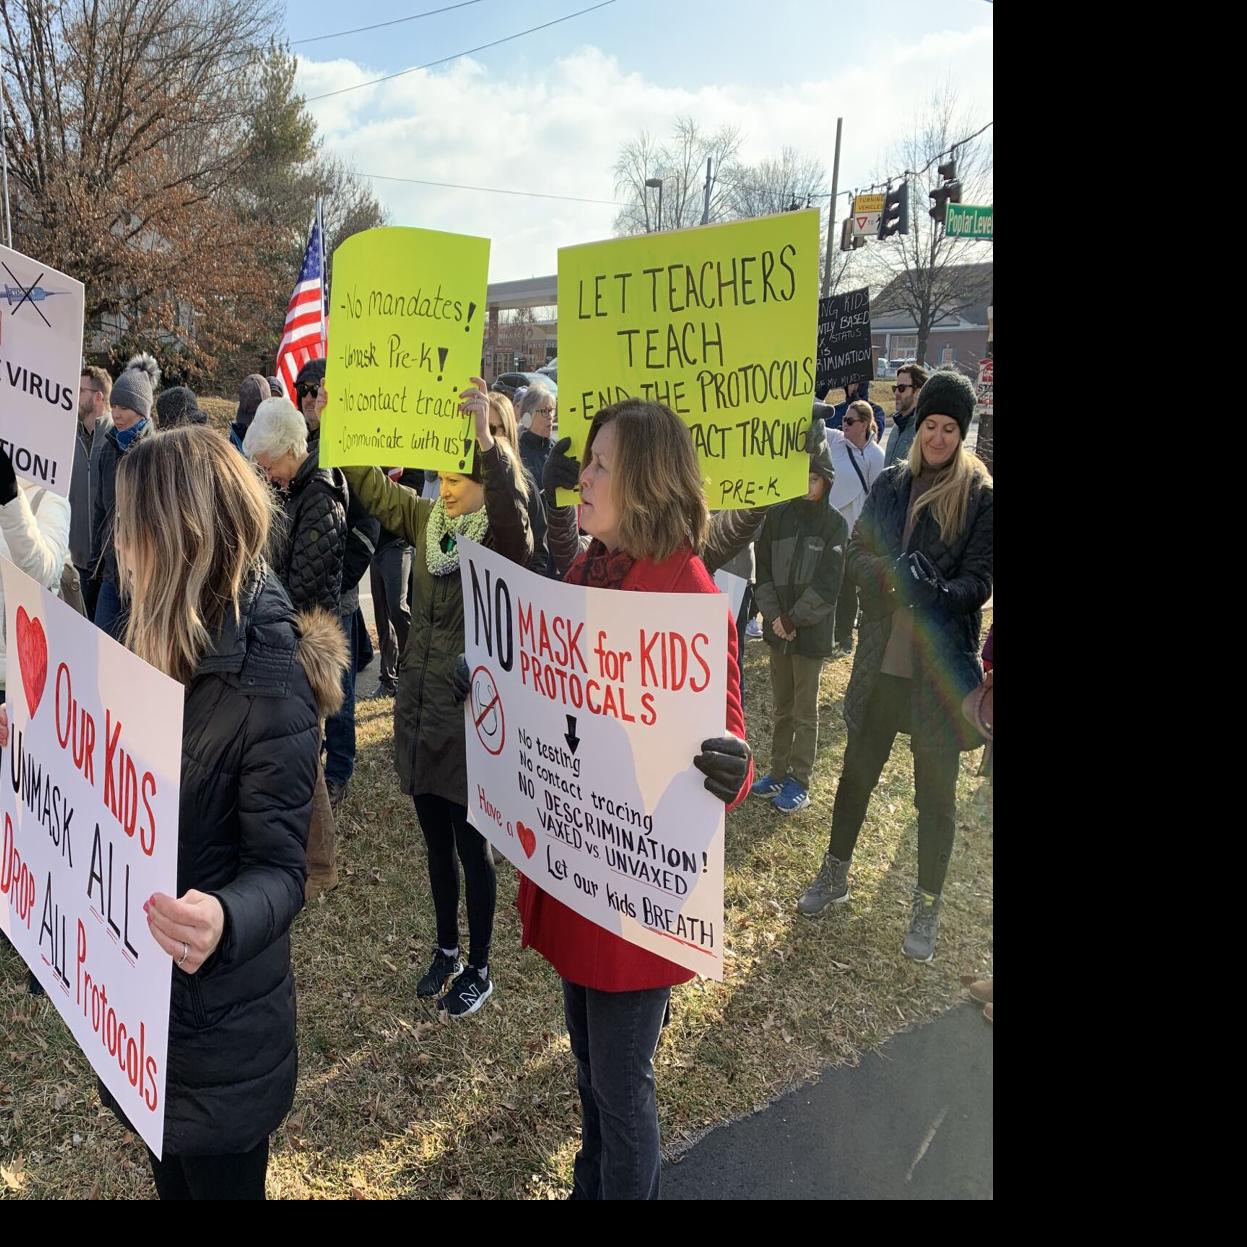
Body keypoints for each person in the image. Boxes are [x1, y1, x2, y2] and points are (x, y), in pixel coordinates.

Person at [41, 425, 344, 1199]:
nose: (117, 543)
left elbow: (283, 868)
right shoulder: (139, 629)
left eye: (128, 523)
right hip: (145, 1015)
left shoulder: (267, 678)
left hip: (222, 1035)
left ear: (176, 535)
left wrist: (224, 916)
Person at [516, 399, 753, 1200]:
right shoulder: (587, 570)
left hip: (635, 898)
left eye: (599, 465)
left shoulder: (685, 594)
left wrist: (732, 768)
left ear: (644, 482)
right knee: (588, 1063)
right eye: (584, 459)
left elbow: (729, 739)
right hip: (584, 866)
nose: (579, 475)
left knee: (622, 1084)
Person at [337, 377, 531, 1018]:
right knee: (433, 840)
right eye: (443, 472)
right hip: (420, 709)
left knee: (471, 846)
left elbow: (518, 528)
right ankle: (447, 948)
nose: (446, 485)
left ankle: (480, 966)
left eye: (462, 473)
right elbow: (373, 491)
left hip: (470, 715)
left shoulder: (497, 536)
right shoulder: (428, 522)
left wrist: (490, 448)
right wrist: (347, 425)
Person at [797, 369, 992, 964]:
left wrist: (935, 587)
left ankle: (926, 903)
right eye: (929, 424)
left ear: (962, 433)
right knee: (857, 770)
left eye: (948, 428)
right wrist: (888, 579)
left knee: (935, 795)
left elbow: (980, 580)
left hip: (937, 669)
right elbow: (858, 549)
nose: (936, 436)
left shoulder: (980, 496)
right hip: (882, 658)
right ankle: (835, 873)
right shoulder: (890, 483)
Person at [244, 397, 348, 896]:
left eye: (269, 464)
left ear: (290, 450)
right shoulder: (295, 491)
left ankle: (320, 865)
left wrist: (262, 601)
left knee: (307, 758)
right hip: (288, 635)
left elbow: (301, 585)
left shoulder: (320, 499)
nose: (266, 475)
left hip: (308, 645)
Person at [747, 425, 846, 813]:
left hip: (809, 635)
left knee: (806, 711)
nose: (808, 484)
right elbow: (764, 570)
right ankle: (776, 771)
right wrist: (774, 616)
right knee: (781, 706)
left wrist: (794, 619)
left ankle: (799, 779)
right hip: (778, 633)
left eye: (815, 477)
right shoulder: (777, 517)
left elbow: (828, 583)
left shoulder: (834, 523)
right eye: (802, 476)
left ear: (826, 480)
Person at [91, 352, 160, 640]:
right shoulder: (107, 448)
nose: (116, 414)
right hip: (111, 575)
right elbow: (100, 510)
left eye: (124, 407)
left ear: (142, 410)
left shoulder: (157, 452)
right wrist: (94, 562)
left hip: (147, 579)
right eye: (114, 405)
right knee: (99, 648)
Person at [826, 399, 885, 657]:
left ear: (863, 424)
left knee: (847, 587)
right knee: (828, 583)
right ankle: (826, 634)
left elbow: (877, 498)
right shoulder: (836, 440)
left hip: (854, 531)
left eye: (850, 421)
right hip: (830, 527)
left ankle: (844, 637)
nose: (844, 424)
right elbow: (813, 422)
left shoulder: (875, 456)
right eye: (843, 420)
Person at [362, 469, 420, 701]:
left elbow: (414, 494)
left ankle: (413, 669)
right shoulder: (376, 457)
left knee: (398, 609)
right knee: (382, 615)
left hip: (398, 543)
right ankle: (388, 680)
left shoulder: (409, 462)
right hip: (377, 545)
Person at [487, 390, 550, 576]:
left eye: (490, 429)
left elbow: (539, 552)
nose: (481, 435)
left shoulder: (525, 484)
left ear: (508, 433)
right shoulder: (462, 482)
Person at [72, 366, 114, 619]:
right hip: (74, 562)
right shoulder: (70, 438)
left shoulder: (115, 440)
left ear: (98, 397)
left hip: (106, 568)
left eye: (81, 390)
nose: (74, 395)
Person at [883, 361, 927, 469]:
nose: (897, 393)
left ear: (917, 391)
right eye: (895, 388)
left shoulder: (923, 430)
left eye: (902, 388)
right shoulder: (896, 426)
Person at [516, 383, 557, 496]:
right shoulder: (516, 452)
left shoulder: (556, 450)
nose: (550, 416)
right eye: (544, 411)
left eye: (552, 410)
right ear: (528, 416)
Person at [824, 376, 885, 443]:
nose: (853, 388)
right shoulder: (835, 411)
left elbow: (874, 437)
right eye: (850, 384)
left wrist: (859, 409)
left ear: (863, 385)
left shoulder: (876, 411)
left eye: (856, 384)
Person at [229, 374, 271, 453]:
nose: (250, 425)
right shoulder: (237, 432)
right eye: (247, 420)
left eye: (255, 419)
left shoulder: (279, 435)